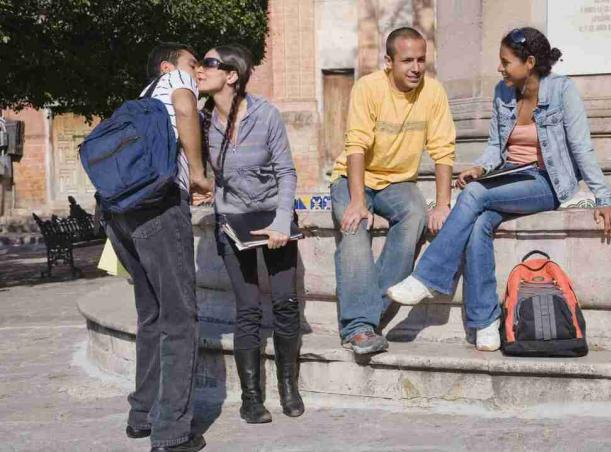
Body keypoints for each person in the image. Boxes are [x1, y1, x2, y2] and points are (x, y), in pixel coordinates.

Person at [387, 27, 611, 352]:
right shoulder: (503, 91)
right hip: (509, 177)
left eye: (505, 62)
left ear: (529, 62)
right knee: (479, 222)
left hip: (547, 182)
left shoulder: (562, 91)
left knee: (473, 195)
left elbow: (582, 148)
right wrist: (481, 168)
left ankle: (427, 278)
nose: (500, 68)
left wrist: (604, 198)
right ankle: (485, 323)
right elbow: (496, 147)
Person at [105, 42, 210, 451]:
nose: (197, 71)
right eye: (192, 63)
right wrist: (198, 175)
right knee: (181, 319)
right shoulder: (175, 82)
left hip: (122, 215)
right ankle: (171, 432)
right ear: (169, 67)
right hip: (160, 209)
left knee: (151, 316)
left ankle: (142, 416)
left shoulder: (141, 99)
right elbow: (186, 109)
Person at [330, 27, 456, 355]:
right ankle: (359, 327)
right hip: (352, 176)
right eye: (407, 61)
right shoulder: (368, 88)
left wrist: (443, 204)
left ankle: (370, 312)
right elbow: (356, 144)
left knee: (415, 215)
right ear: (389, 62)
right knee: (354, 227)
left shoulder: (434, 92)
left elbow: (443, 149)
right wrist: (358, 201)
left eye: (421, 60)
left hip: (399, 181)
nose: (416, 68)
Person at [196, 44, 304, 423]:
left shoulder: (266, 115)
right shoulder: (200, 119)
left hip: (271, 216)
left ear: (231, 75)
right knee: (248, 309)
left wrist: (280, 222)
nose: (200, 69)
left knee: (286, 304)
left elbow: (286, 173)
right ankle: (251, 398)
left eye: (208, 63)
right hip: (232, 221)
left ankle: (289, 388)